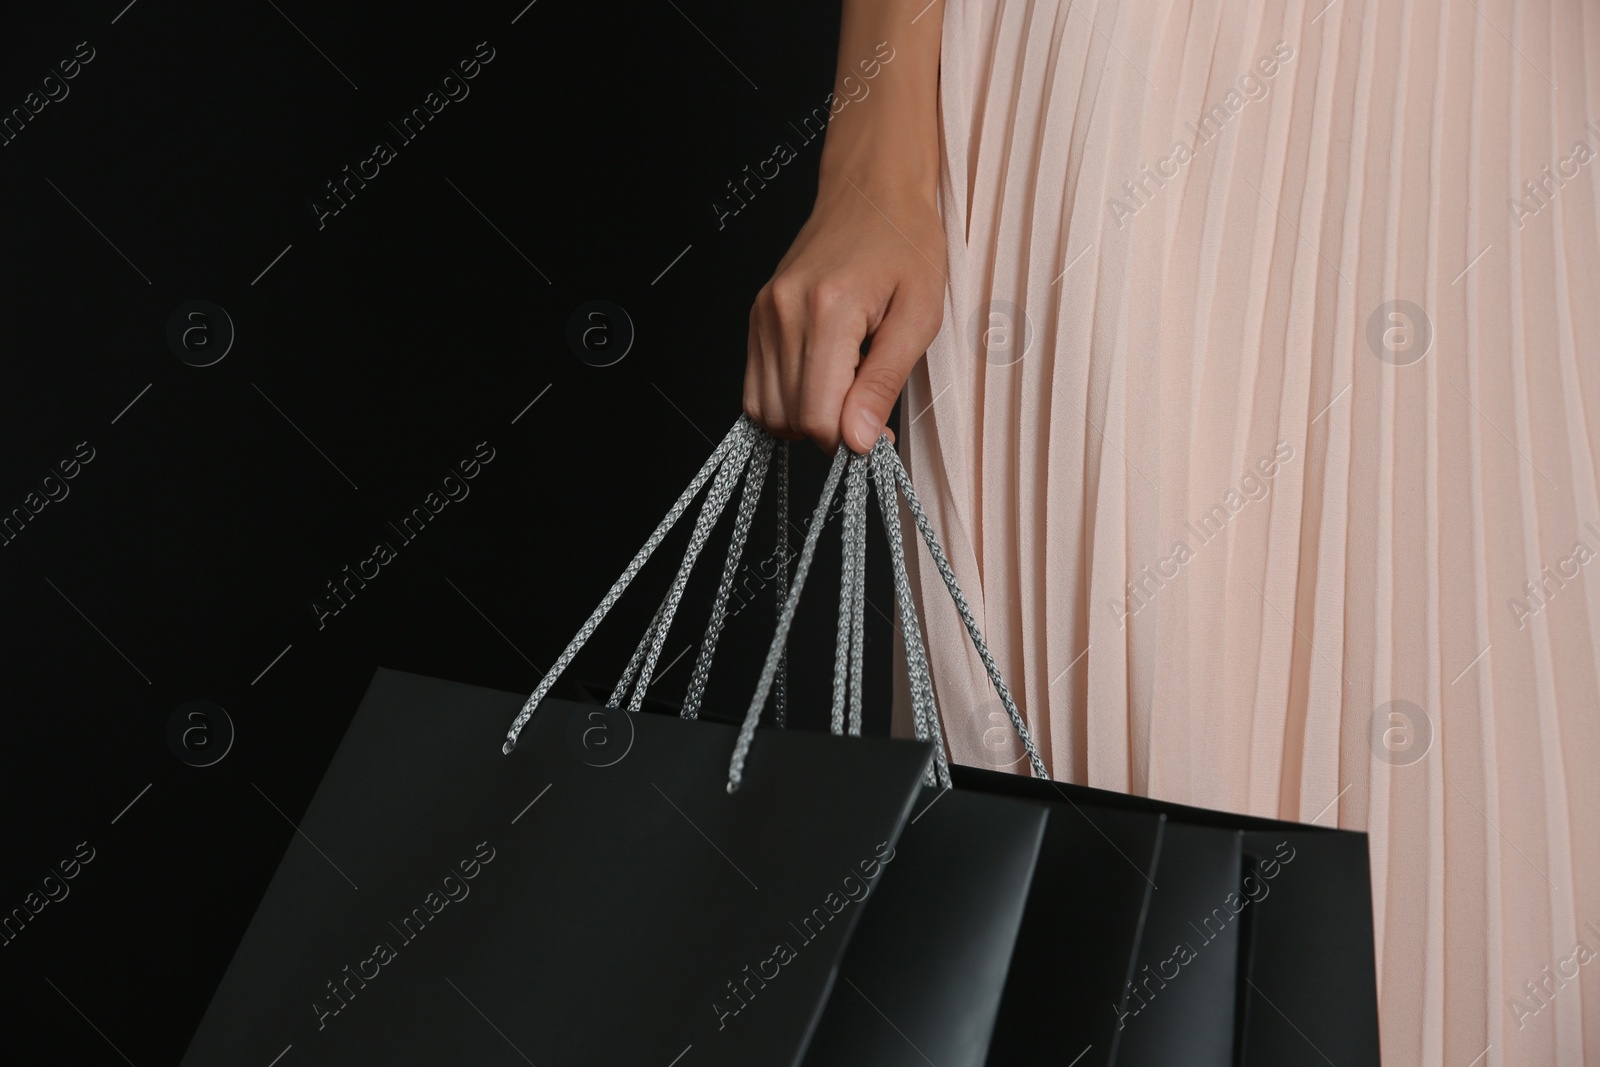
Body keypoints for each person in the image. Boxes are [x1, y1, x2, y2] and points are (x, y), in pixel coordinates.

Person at [744, 1, 1600, 1063]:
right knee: (1135, 864)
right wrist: (873, 156)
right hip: (1124, 97)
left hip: (1530, 124)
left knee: (1501, 874)